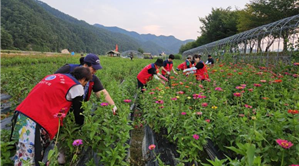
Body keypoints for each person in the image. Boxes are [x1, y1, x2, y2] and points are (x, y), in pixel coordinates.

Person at [11, 67, 92, 165]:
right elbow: (78, 113)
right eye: (85, 83)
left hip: (21, 114)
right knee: (28, 160)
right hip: (34, 122)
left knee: (22, 154)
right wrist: (80, 128)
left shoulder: (54, 76)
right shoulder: (76, 86)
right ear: (83, 79)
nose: (84, 85)